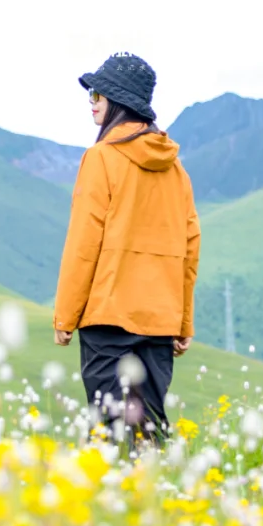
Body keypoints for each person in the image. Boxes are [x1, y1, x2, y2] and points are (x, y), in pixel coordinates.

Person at [53, 52, 201, 444]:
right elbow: (189, 251)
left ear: (119, 100)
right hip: (160, 322)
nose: (91, 102)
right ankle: (160, 502)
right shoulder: (176, 169)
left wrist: (65, 316)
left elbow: (84, 243)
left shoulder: (100, 159)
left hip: (108, 318)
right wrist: (183, 321)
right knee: (149, 435)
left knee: (108, 434)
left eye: (97, 93)